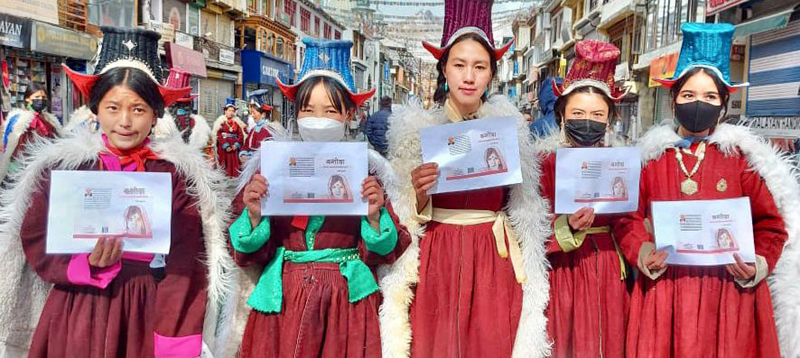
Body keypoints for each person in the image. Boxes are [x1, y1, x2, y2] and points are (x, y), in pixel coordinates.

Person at [0, 27, 235, 357]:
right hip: (77, 310)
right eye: (113, 108)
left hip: (143, 312)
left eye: (138, 109)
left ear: (156, 114)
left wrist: (173, 340)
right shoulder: (67, 170)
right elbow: (37, 237)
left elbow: (186, 265)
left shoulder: (173, 177)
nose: (124, 121)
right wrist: (82, 264)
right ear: (95, 109)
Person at [614, 23, 800, 357]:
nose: (698, 104)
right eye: (688, 95)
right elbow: (628, 219)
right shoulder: (651, 160)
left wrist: (756, 263)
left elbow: (771, 225)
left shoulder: (742, 160)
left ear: (723, 103)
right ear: (674, 100)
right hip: (666, 291)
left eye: (709, 97)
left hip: (727, 295)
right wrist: (643, 252)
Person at [379, 1, 552, 356]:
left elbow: (524, 210)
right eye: (459, 65)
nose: (469, 77)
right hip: (436, 258)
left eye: (479, 66)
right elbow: (403, 219)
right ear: (444, 69)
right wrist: (419, 194)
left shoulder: (510, 136)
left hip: (492, 259)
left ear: (491, 74)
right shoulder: (416, 133)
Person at [225, 37, 410, 358]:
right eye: (308, 109)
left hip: (346, 303)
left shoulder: (368, 171)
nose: (317, 118)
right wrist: (254, 217)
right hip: (283, 300)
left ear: (349, 113)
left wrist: (374, 216)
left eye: (330, 110)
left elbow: (386, 252)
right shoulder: (270, 168)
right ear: (295, 112)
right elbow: (244, 253)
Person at [536, 40, 630, 358]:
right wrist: (564, 227)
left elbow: (630, 221)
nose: (587, 121)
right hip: (563, 272)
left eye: (597, 114)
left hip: (609, 270)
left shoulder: (622, 164)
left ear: (609, 119)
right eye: (578, 113)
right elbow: (527, 226)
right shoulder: (544, 163)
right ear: (562, 115)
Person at [0, 83, 62, 181]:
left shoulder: (49, 120)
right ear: (27, 99)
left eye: (43, 97)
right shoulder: (19, 119)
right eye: (37, 97)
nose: (41, 100)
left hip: (43, 166)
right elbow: (11, 145)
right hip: (19, 167)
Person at [213, 98, 247, 177]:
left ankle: (234, 177)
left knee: (234, 164)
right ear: (225, 111)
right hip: (223, 146)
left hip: (234, 146)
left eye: (233, 111)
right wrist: (225, 145)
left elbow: (241, 135)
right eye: (229, 110)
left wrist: (236, 145)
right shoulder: (220, 122)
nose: (231, 113)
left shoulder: (237, 122)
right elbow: (218, 134)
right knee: (224, 164)